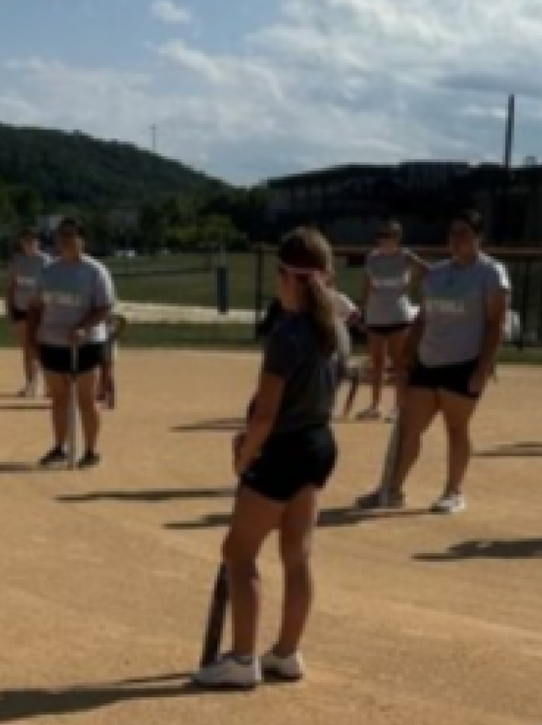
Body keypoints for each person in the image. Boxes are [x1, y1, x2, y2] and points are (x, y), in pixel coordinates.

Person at [194, 228, 346, 690]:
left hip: (281, 448)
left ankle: (242, 660)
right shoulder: (335, 327)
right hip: (318, 442)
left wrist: (245, 456)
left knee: (239, 551)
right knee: (297, 554)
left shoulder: (288, 333)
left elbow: (265, 410)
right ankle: (286, 652)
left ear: (286, 277)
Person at [357, 210, 509, 516]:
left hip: (464, 362)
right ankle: (392, 489)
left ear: (480, 238)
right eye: (453, 232)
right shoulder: (436, 273)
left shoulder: (491, 273)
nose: (456, 239)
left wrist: (482, 368)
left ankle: (453, 492)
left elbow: (495, 323)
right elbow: (422, 320)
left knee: (456, 428)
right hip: (428, 361)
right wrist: (404, 361)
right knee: (408, 428)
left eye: (464, 232)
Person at [28, 217, 115, 469]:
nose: (65, 240)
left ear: (81, 240)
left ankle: (90, 450)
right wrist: (32, 337)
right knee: (59, 398)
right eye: (61, 236)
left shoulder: (95, 271)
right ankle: (59, 447)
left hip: (86, 344)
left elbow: (104, 307)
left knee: (86, 399)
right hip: (52, 342)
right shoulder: (47, 271)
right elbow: (36, 306)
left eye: (71, 235)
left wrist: (83, 327)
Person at [356, 222, 428, 421]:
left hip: (398, 315)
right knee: (377, 363)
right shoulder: (372, 257)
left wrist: (417, 288)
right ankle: (375, 406)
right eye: (381, 236)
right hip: (376, 316)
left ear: (397, 238)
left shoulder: (405, 256)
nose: (384, 240)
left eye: (388, 236)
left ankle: (399, 406)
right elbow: (366, 286)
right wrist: (363, 311)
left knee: (398, 363)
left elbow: (427, 271)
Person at [6, 229, 51, 398]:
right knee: (26, 347)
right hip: (20, 308)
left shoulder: (45, 261)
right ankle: (30, 384)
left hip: (39, 310)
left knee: (42, 348)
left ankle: (49, 385)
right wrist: (9, 310)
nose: (29, 244)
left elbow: (50, 287)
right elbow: (11, 287)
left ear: (38, 243)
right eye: (26, 241)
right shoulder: (17, 261)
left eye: (33, 241)